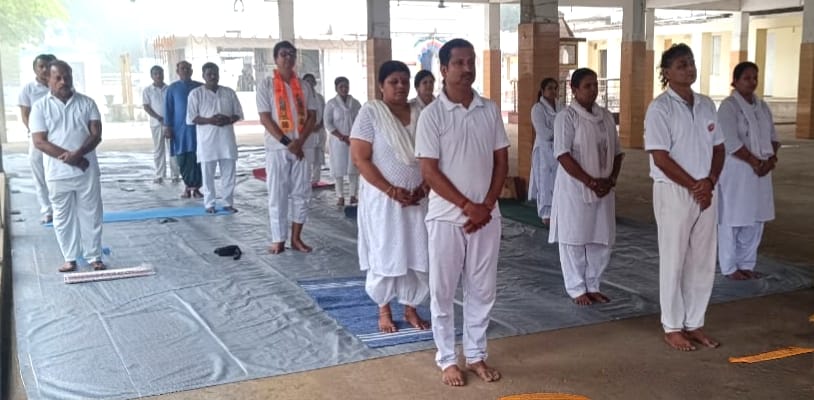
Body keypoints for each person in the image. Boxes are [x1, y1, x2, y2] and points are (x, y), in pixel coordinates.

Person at [416, 38, 509, 387]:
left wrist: (487, 205)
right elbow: (429, 171)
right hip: (446, 217)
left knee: (483, 289)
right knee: (443, 291)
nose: (467, 68)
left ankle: (475, 354)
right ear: (443, 69)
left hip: (487, 217)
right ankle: (446, 358)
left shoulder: (489, 109)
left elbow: (501, 162)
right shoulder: (432, 115)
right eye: (459, 62)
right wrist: (468, 206)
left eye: (471, 62)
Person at [644, 43, 725, 352]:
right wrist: (695, 186)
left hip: (706, 191)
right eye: (681, 65)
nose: (689, 69)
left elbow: (719, 148)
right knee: (674, 258)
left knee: (703, 259)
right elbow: (660, 157)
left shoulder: (706, 104)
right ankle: (673, 326)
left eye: (691, 63)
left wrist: (710, 181)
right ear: (667, 72)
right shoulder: (660, 108)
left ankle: (695, 322)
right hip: (674, 191)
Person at [350, 60, 431, 334]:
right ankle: (384, 310)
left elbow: (435, 155)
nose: (400, 86)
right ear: (381, 86)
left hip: (417, 199)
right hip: (383, 200)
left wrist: (424, 187)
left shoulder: (422, 113)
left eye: (404, 81)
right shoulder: (371, 113)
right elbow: (360, 158)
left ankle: (410, 307)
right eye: (393, 81)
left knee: (416, 251)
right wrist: (391, 190)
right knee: (384, 250)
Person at [548, 69, 624, 306]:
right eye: (587, 86)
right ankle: (576, 287)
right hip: (576, 188)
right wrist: (590, 181)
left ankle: (593, 284)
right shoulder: (567, 117)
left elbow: (618, 152)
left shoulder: (606, 117)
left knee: (601, 237)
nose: (593, 90)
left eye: (595, 85)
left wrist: (610, 179)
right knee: (574, 237)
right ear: (574, 89)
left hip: (604, 187)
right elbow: (563, 154)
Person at [29, 60, 105, 272]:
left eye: (67, 77)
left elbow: (96, 134)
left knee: (91, 214)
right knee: (62, 217)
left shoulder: (87, 103)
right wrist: (72, 159)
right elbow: (39, 141)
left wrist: (78, 154)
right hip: (57, 173)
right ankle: (70, 258)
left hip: (86, 170)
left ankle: (94, 256)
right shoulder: (40, 107)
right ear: (48, 79)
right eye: (58, 78)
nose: (64, 81)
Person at [716, 62, 779, 280]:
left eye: (755, 78)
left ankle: (747, 263)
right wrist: (754, 162)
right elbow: (730, 141)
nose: (752, 82)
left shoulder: (762, 107)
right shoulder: (728, 107)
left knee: (756, 218)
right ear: (735, 81)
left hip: (761, 171)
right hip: (738, 171)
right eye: (747, 78)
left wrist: (770, 161)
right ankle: (729, 266)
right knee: (732, 218)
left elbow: (773, 137)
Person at [256, 40, 317, 254]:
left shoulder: (304, 86)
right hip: (278, 148)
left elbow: (312, 116)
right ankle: (278, 239)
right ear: (275, 58)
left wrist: (299, 142)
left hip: (302, 147)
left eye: (292, 54)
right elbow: (265, 118)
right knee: (278, 193)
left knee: (302, 192)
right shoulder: (266, 85)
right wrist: (287, 142)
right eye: (283, 54)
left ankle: (296, 238)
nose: (288, 58)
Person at [186, 62, 243, 214]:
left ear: (218, 75)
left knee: (229, 174)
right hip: (207, 142)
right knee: (207, 175)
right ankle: (209, 203)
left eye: (215, 74)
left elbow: (238, 113)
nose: (212, 76)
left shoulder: (229, 92)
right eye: (209, 74)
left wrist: (228, 119)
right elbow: (192, 118)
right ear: (203, 76)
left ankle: (228, 203)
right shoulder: (196, 94)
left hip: (226, 140)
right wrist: (210, 120)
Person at [19, 53, 57, 223]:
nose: (44, 70)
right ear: (35, 69)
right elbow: (25, 115)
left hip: (58, 138)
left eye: (48, 66)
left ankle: (61, 208)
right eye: (41, 66)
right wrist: (36, 133)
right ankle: (47, 210)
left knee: (58, 173)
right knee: (40, 175)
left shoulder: (59, 85)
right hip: (38, 139)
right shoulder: (28, 89)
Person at [164, 61, 203, 198]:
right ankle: (187, 186)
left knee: (197, 158)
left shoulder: (200, 87)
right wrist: (167, 127)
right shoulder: (172, 88)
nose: (185, 71)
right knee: (182, 159)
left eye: (188, 68)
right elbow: (168, 109)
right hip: (179, 130)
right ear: (177, 71)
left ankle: (197, 188)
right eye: (182, 68)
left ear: (191, 71)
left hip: (198, 129)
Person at [528, 77, 562, 225]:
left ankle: (558, 211)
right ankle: (545, 214)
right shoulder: (537, 109)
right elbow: (544, 133)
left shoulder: (561, 107)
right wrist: (560, 133)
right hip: (543, 151)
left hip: (559, 149)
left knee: (558, 181)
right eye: (549, 88)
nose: (553, 91)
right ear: (542, 91)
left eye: (555, 88)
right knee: (545, 182)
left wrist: (561, 134)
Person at [324, 76, 362, 206]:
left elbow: (361, 120)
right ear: (336, 88)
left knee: (353, 169)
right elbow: (327, 122)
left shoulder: (355, 103)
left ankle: (353, 196)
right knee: (338, 169)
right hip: (337, 141)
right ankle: (340, 196)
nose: (344, 89)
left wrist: (353, 136)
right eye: (341, 87)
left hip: (353, 140)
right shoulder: (331, 104)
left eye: (346, 86)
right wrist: (341, 136)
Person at [142, 65, 180, 184]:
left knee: (172, 149)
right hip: (156, 124)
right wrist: (158, 118)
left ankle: (175, 175)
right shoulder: (147, 90)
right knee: (159, 150)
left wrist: (170, 120)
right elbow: (146, 107)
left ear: (163, 74)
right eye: (156, 73)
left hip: (170, 125)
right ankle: (159, 175)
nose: (158, 75)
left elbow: (174, 105)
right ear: (152, 76)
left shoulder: (170, 89)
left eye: (160, 73)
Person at [303, 73, 327, 186]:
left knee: (318, 155)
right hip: (308, 131)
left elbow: (324, 113)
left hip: (319, 129)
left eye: (311, 81)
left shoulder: (320, 97)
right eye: (307, 81)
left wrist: (320, 124)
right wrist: (310, 127)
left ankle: (316, 178)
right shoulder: (301, 97)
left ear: (315, 83)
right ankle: (306, 178)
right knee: (308, 155)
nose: (309, 83)